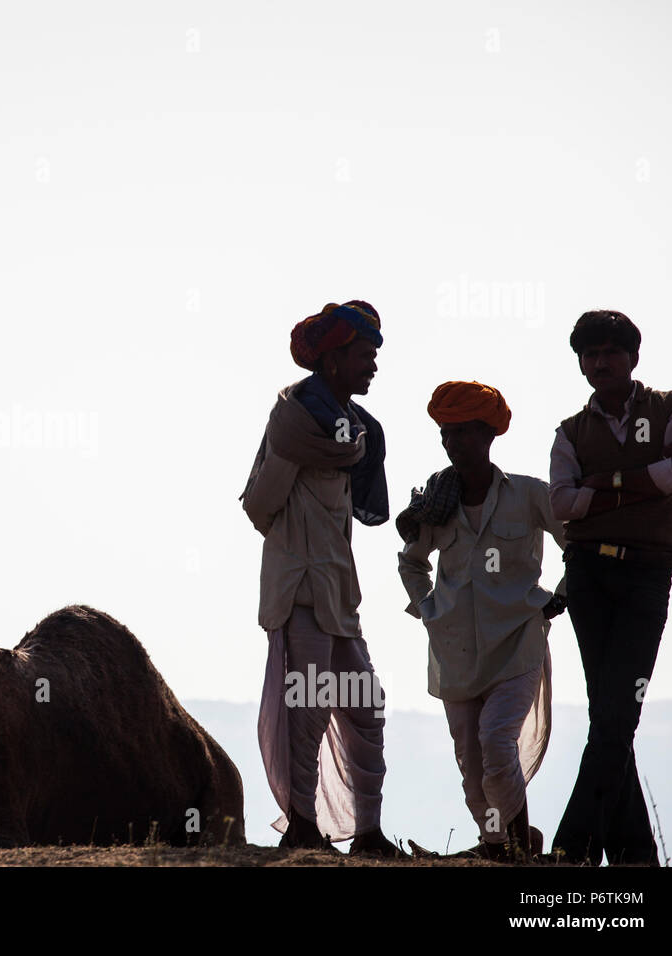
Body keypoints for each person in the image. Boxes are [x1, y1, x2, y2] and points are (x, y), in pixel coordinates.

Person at [240, 300, 402, 857]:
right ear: (332, 359)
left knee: (365, 707)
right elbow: (259, 504)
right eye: (364, 354)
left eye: (375, 354)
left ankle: (368, 834)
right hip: (300, 591)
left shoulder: (359, 429)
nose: (373, 365)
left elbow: (369, 512)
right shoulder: (293, 422)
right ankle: (304, 829)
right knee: (305, 712)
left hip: (337, 594)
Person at [396, 381, 565, 861]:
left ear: (489, 435)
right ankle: (498, 845)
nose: (452, 443)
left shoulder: (530, 495)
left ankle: (517, 848)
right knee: (471, 764)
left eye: (463, 432)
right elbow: (411, 563)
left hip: (517, 644)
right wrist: (426, 607)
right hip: (454, 650)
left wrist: (560, 598)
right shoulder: (437, 500)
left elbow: (577, 542)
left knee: (496, 742)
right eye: (446, 434)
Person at [549, 310, 672, 866]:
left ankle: (571, 847)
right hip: (589, 575)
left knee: (615, 712)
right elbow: (563, 503)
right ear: (582, 364)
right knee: (611, 714)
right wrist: (643, 484)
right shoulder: (570, 430)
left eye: (611, 351)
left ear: (633, 357)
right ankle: (634, 854)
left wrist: (606, 485)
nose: (601, 362)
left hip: (646, 575)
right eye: (591, 354)